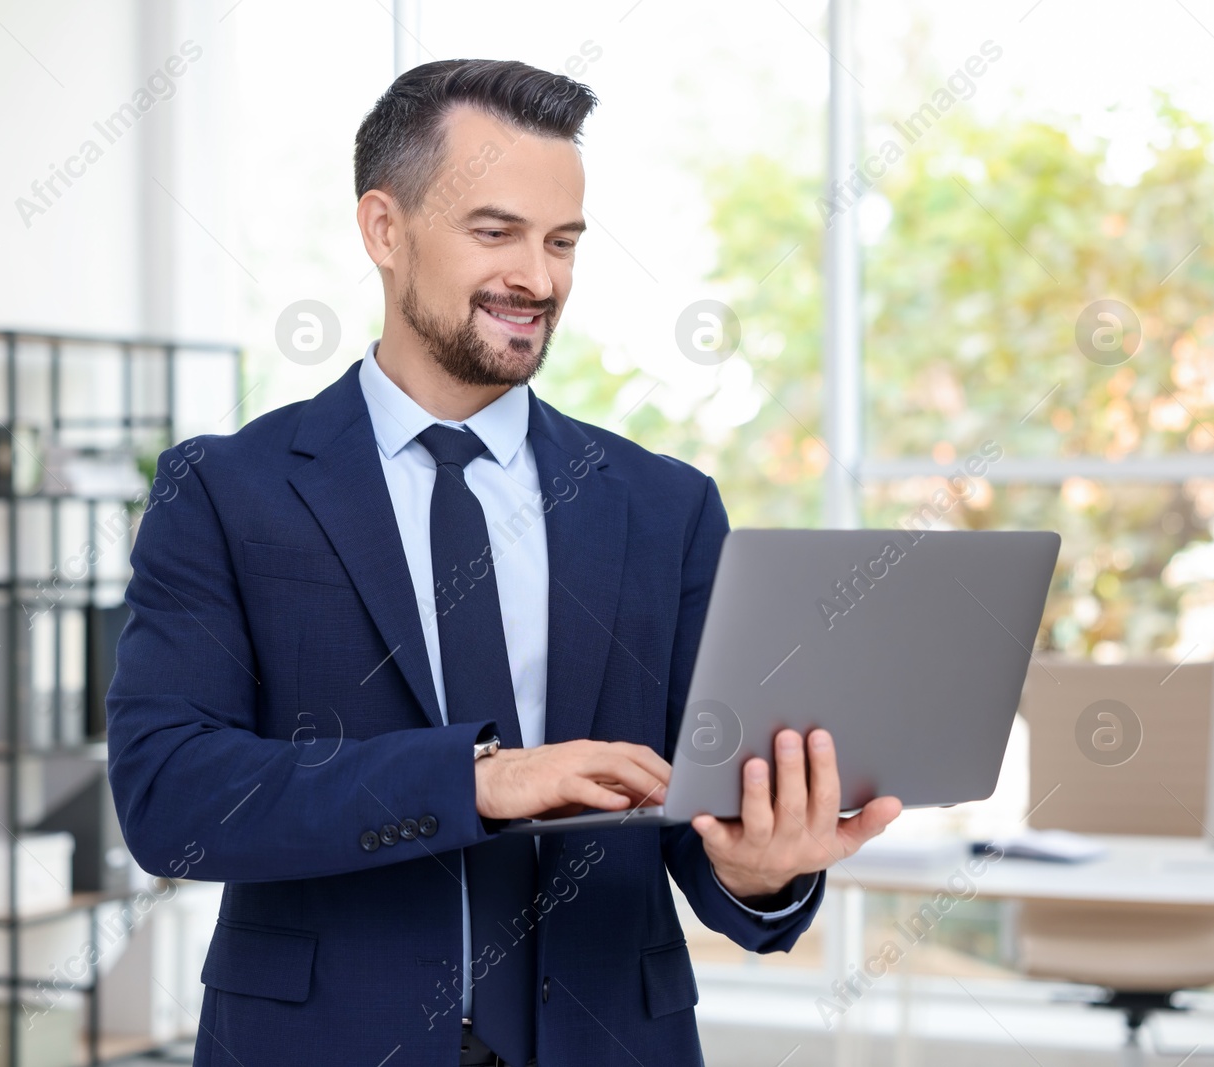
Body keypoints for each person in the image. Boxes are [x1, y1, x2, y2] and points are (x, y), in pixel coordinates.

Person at [107, 57, 901, 1067]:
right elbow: (172, 796)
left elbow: (692, 819)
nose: (539, 277)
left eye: (561, 241)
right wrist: (479, 778)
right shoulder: (226, 490)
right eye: (496, 232)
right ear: (383, 229)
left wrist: (759, 869)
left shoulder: (664, 507)